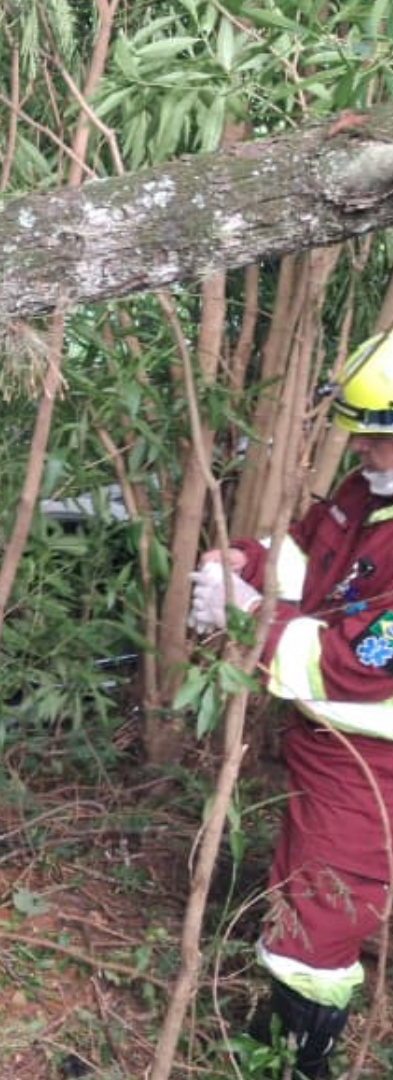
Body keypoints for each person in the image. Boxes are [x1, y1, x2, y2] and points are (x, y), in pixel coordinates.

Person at [189, 330, 393, 1078]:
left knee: (323, 913)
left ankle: (300, 1059)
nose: (362, 453)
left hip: (375, 765)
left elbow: (357, 663)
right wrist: (247, 560)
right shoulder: (369, 491)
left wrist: (248, 618)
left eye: (377, 440)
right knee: (310, 892)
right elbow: (311, 555)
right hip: (332, 747)